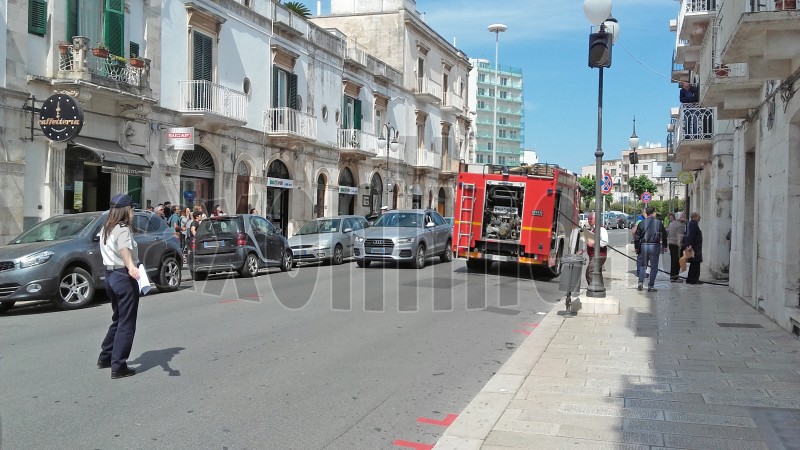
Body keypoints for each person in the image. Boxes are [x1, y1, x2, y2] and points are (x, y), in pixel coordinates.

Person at [98, 194, 141, 379]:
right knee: (126, 322)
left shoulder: (107, 227)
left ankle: (105, 357)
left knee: (118, 318)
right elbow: (124, 248)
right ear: (127, 209)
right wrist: (131, 267)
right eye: (132, 209)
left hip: (110, 275)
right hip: (123, 276)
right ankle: (119, 365)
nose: (133, 213)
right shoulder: (122, 228)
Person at [634, 206, 668, 292]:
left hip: (644, 245)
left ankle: (640, 283)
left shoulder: (641, 223)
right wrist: (665, 245)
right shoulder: (659, 223)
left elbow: (637, 237)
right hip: (654, 245)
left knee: (643, 265)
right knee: (654, 267)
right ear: (653, 213)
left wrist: (637, 247)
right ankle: (651, 286)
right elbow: (664, 235)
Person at [583, 212, 608, 287]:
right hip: (594, 256)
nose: (589, 220)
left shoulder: (601, 229)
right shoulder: (592, 229)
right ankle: (600, 288)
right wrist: (583, 250)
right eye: (588, 219)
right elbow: (589, 243)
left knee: (590, 272)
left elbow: (605, 242)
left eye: (591, 219)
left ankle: (593, 289)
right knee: (597, 274)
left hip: (599, 256)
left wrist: (594, 244)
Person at [685, 212, 703, 284]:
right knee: (695, 263)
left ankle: (693, 279)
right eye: (699, 216)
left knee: (695, 263)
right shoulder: (693, 225)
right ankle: (693, 279)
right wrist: (690, 246)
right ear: (694, 217)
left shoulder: (693, 224)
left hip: (696, 247)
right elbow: (691, 236)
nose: (700, 217)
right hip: (694, 248)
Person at [667, 212, 687, 282]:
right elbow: (680, 237)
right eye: (684, 216)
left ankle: (672, 276)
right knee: (677, 262)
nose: (685, 218)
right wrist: (681, 246)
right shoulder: (680, 226)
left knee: (673, 261)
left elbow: (669, 235)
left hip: (671, 244)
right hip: (676, 245)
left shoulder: (672, 224)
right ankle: (675, 277)